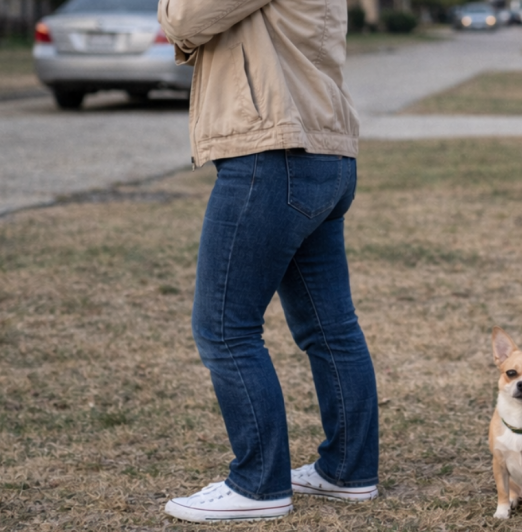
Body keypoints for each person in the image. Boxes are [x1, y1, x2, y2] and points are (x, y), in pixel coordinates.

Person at [157, 0, 379, 523]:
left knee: (224, 328)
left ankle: (258, 485)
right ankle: (348, 471)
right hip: (323, 152)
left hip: (273, 156)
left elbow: (184, 18)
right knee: (331, 329)